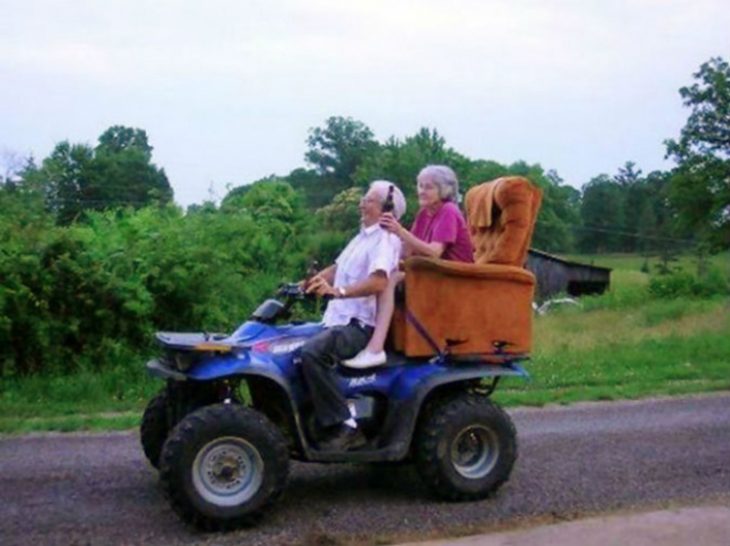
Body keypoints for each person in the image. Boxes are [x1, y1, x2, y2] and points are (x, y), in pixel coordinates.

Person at [301, 181, 407, 451]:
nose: (361, 203)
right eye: (364, 198)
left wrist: (338, 292)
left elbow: (379, 282)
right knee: (287, 342)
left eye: (369, 200)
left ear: (386, 208)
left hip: (358, 326)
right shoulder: (361, 237)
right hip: (336, 320)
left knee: (313, 353)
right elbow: (337, 268)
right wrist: (311, 282)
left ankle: (346, 425)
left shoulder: (385, 241)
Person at [343, 165, 473, 369]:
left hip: (452, 277)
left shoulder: (448, 211)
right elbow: (407, 251)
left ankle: (375, 348)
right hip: (431, 272)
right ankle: (366, 334)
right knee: (383, 273)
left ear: (444, 190)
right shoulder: (425, 214)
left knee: (389, 280)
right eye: (420, 186)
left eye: (428, 187)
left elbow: (434, 252)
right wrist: (384, 244)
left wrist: (399, 230)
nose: (421, 191)